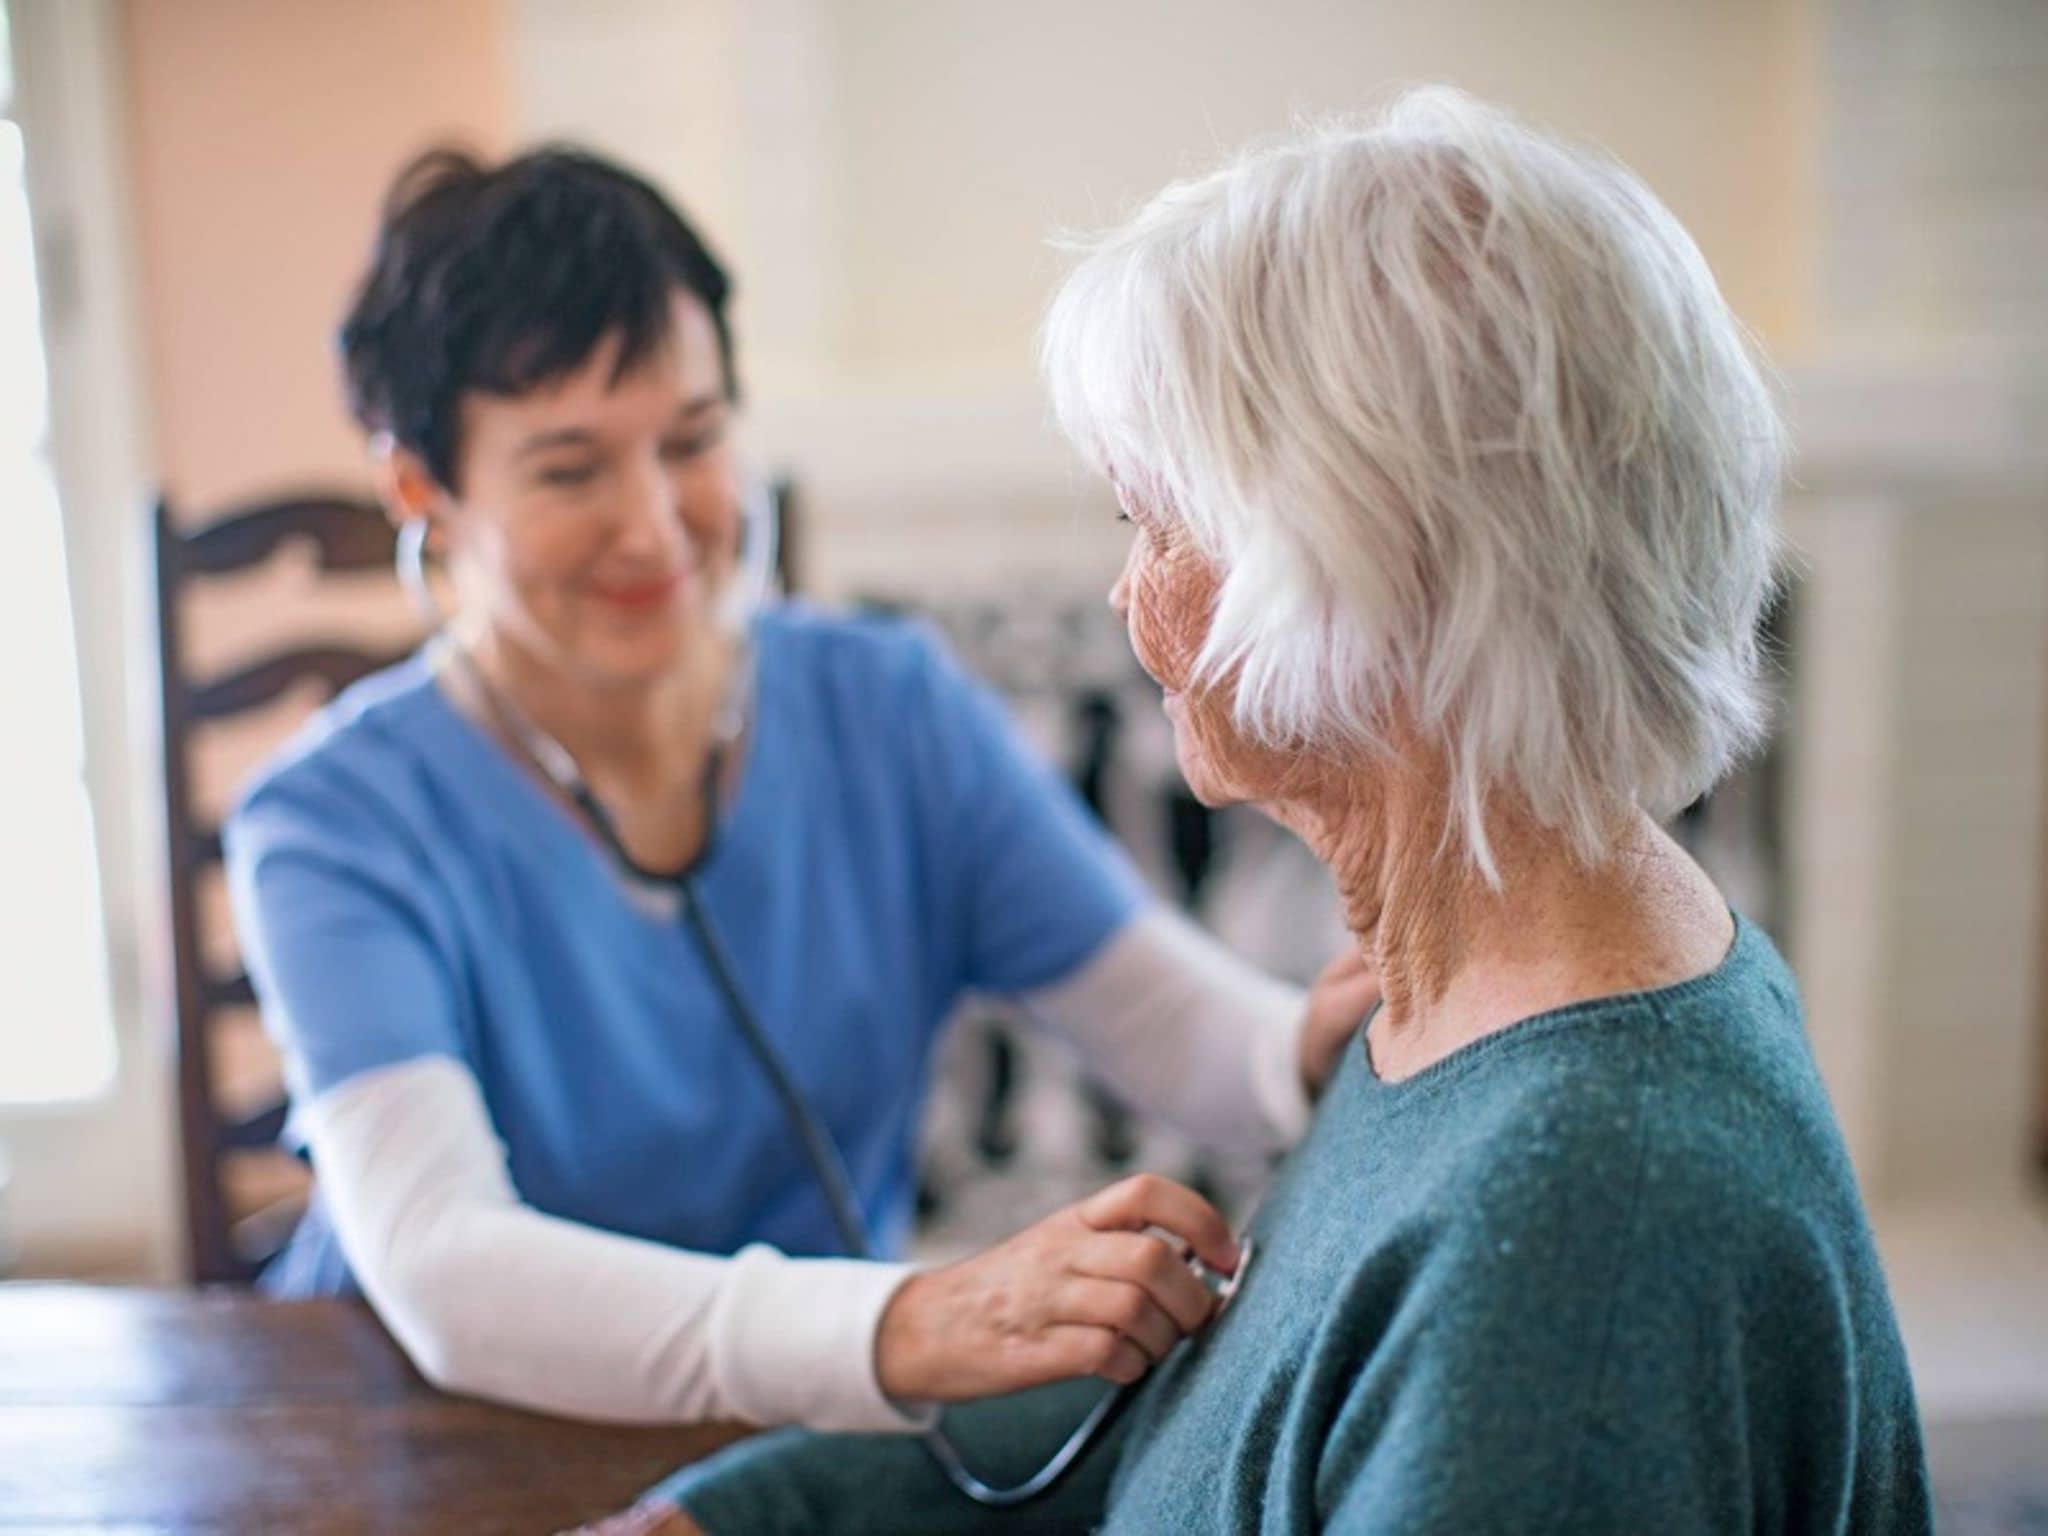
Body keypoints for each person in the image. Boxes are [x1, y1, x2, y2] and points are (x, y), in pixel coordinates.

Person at [583, 87, 1932, 1533]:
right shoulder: (1481, 981)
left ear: (1367, 569)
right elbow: (1215, 1411)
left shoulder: (1579, 1230)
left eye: (1158, 522)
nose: (1124, 594)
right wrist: (737, 1516)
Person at [224, 146, 1377, 1432]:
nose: (654, 524)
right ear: (420, 488)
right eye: (567, 469)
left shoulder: (887, 708)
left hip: (786, 1437)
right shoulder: (326, 823)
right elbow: (442, 1266)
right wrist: (911, 1322)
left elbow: (1161, 1021)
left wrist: (1302, 1049)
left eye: (691, 440)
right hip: (429, 1439)